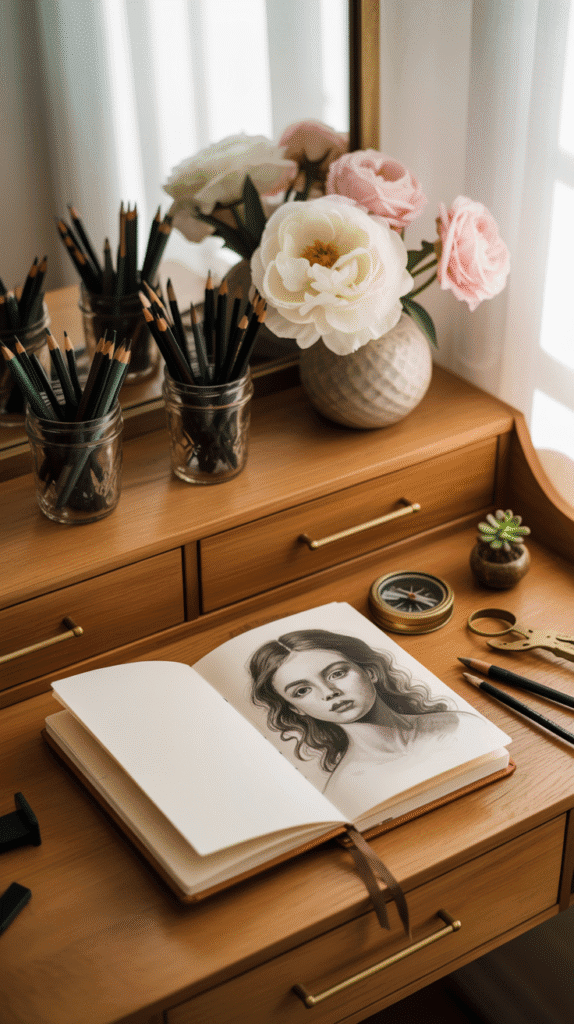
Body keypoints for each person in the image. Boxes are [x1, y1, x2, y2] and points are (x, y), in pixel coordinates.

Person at [248, 628, 479, 808]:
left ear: (370, 671)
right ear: (296, 708)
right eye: (302, 691)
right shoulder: (345, 788)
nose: (329, 692)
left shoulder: (461, 724)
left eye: (336, 673)